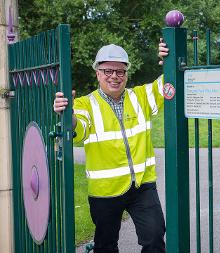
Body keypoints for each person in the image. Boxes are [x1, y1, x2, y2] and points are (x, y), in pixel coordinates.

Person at [53, 40, 169, 253]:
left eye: (120, 71)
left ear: (126, 74)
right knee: (106, 246)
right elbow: (79, 128)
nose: (114, 76)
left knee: (154, 238)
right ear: (97, 73)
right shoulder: (85, 104)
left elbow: (168, 85)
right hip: (105, 191)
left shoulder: (140, 96)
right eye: (108, 70)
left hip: (142, 186)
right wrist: (67, 115)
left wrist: (167, 61)